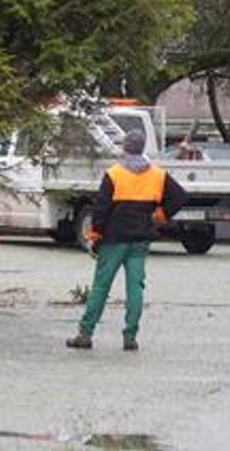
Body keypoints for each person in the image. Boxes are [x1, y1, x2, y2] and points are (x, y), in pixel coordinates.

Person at [66, 127, 187, 352]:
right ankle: (130, 336)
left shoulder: (114, 174)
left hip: (114, 240)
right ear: (142, 148)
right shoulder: (157, 175)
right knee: (136, 288)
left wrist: (94, 235)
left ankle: (85, 333)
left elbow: (101, 209)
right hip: (140, 240)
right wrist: (160, 215)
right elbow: (180, 196)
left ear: (124, 148)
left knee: (101, 287)